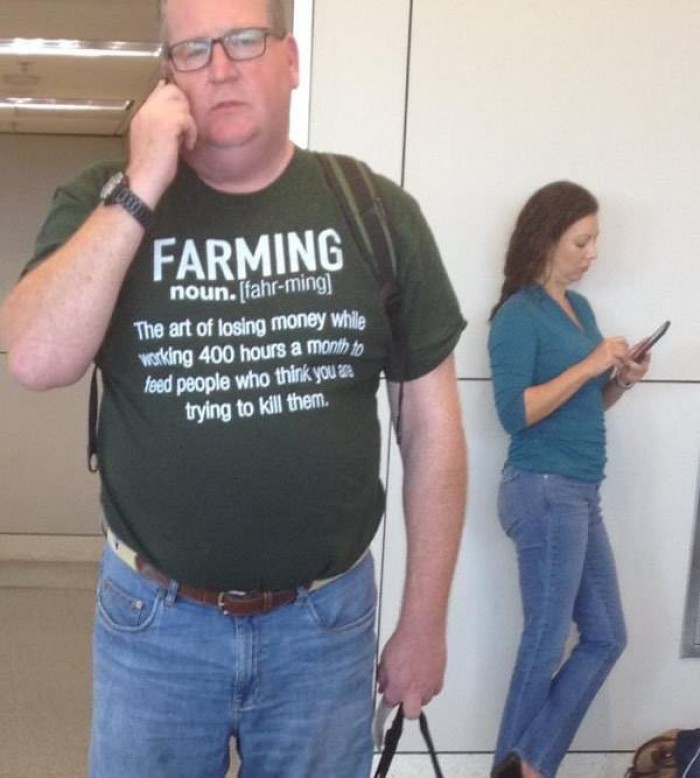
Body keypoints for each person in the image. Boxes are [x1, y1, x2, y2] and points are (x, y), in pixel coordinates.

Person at [0, 1, 467, 776]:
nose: (220, 68)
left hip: (323, 628)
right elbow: (35, 359)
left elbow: (433, 431)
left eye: (244, 41)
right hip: (155, 624)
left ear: (291, 59)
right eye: (193, 50)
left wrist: (424, 623)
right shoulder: (102, 200)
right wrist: (142, 185)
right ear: (167, 78)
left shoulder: (376, 213)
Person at [487, 181, 650, 778]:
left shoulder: (579, 310)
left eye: (594, 241)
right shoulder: (516, 315)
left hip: (580, 490)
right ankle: (515, 770)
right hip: (543, 488)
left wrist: (620, 379)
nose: (592, 254)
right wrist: (589, 363)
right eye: (582, 241)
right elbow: (515, 413)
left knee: (607, 636)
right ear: (546, 238)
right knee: (546, 637)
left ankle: (526, 764)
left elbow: (584, 403)